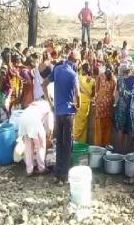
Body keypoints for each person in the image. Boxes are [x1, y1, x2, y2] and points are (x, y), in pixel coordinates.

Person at [42, 50, 81, 184]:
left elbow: (44, 84)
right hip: (69, 113)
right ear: (75, 62)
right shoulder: (73, 74)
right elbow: (78, 94)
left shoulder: (57, 69)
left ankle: (56, 175)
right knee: (67, 145)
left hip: (58, 113)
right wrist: (78, 105)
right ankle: (64, 177)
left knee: (59, 144)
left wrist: (50, 102)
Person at [18, 100, 54, 176]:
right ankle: (41, 168)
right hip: (34, 121)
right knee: (40, 145)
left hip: (23, 119)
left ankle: (29, 170)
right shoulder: (48, 109)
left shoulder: (35, 105)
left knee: (28, 146)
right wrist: (49, 137)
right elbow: (50, 128)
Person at [114, 63, 134, 153]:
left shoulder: (119, 80)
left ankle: (121, 150)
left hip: (121, 105)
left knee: (121, 128)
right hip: (131, 106)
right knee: (131, 129)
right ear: (130, 70)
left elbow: (118, 93)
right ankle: (130, 152)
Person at [94, 66, 117, 146]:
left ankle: (98, 148)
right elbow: (114, 95)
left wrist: (98, 98)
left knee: (99, 130)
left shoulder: (100, 76)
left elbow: (96, 90)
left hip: (100, 107)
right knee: (107, 130)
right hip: (108, 108)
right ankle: (105, 148)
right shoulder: (114, 79)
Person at [73, 63, 95, 144]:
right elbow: (93, 94)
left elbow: (75, 91)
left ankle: (74, 143)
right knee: (84, 126)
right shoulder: (92, 81)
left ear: (83, 70)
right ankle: (82, 145)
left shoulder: (78, 78)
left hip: (79, 103)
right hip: (86, 105)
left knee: (78, 126)